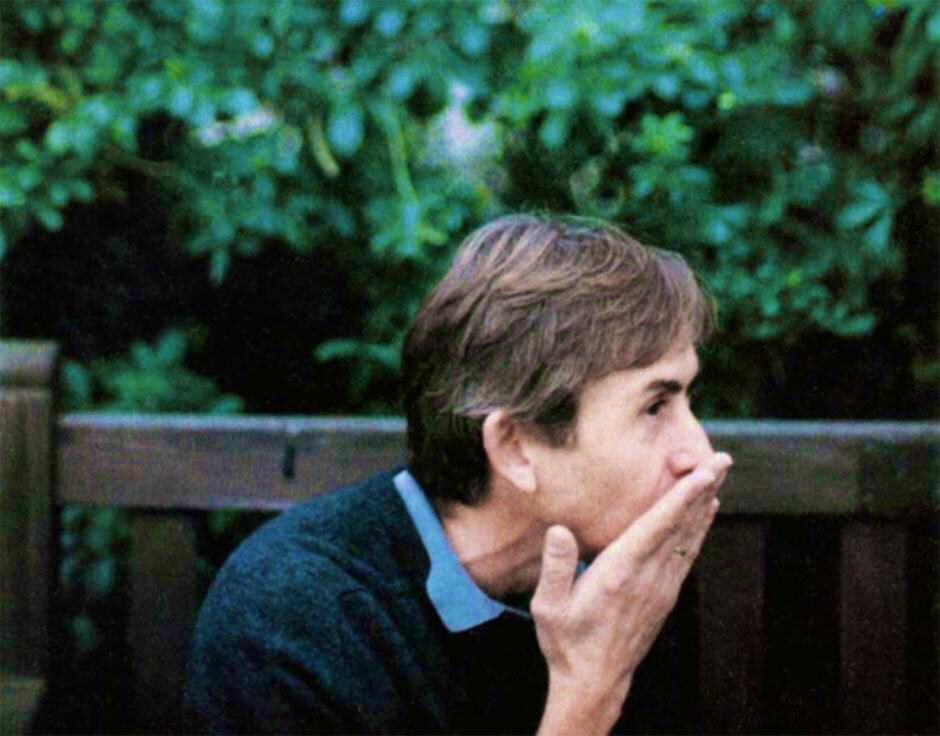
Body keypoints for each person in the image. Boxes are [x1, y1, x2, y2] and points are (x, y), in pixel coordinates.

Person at [184, 214, 733, 735]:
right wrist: (588, 692)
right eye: (654, 407)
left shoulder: (625, 575)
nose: (699, 453)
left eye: (687, 399)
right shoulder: (289, 622)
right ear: (515, 448)